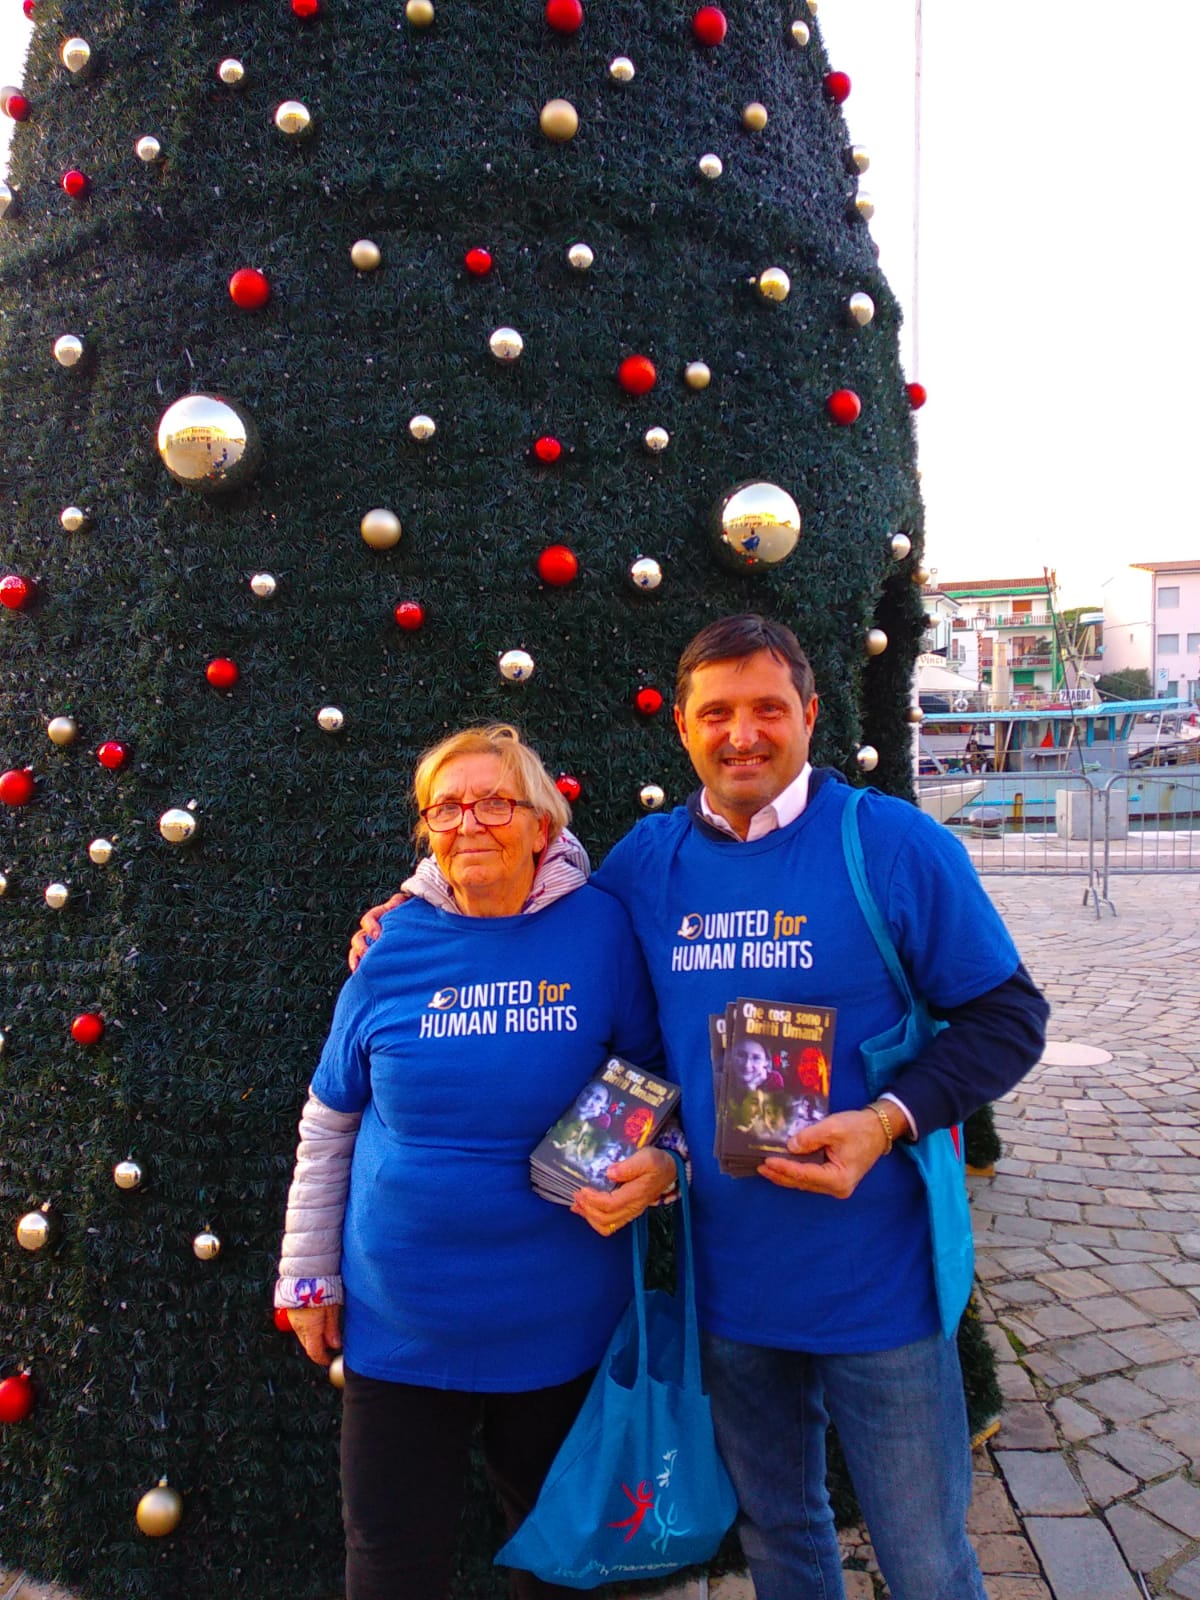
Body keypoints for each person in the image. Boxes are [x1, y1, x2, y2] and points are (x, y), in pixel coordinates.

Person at [351, 619, 1049, 1600]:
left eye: (768, 708)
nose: (743, 733)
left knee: (926, 1559)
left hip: (878, 1281)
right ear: (683, 727)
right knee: (782, 1538)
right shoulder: (649, 862)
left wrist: (887, 1118)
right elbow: (531, 888)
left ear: (810, 715)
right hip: (731, 1294)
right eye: (716, 712)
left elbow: (1009, 1014)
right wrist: (415, 906)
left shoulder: (887, 844)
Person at [277, 723, 678, 1600]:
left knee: (562, 1566)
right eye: (447, 808)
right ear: (427, 830)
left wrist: (664, 1163)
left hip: (560, 1327)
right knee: (389, 1566)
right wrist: (306, 1276)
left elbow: (654, 1075)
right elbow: (331, 1115)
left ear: (544, 825)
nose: (470, 823)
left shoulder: (602, 929)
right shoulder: (391, 947)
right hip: (401, 1324)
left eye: (496, 802)